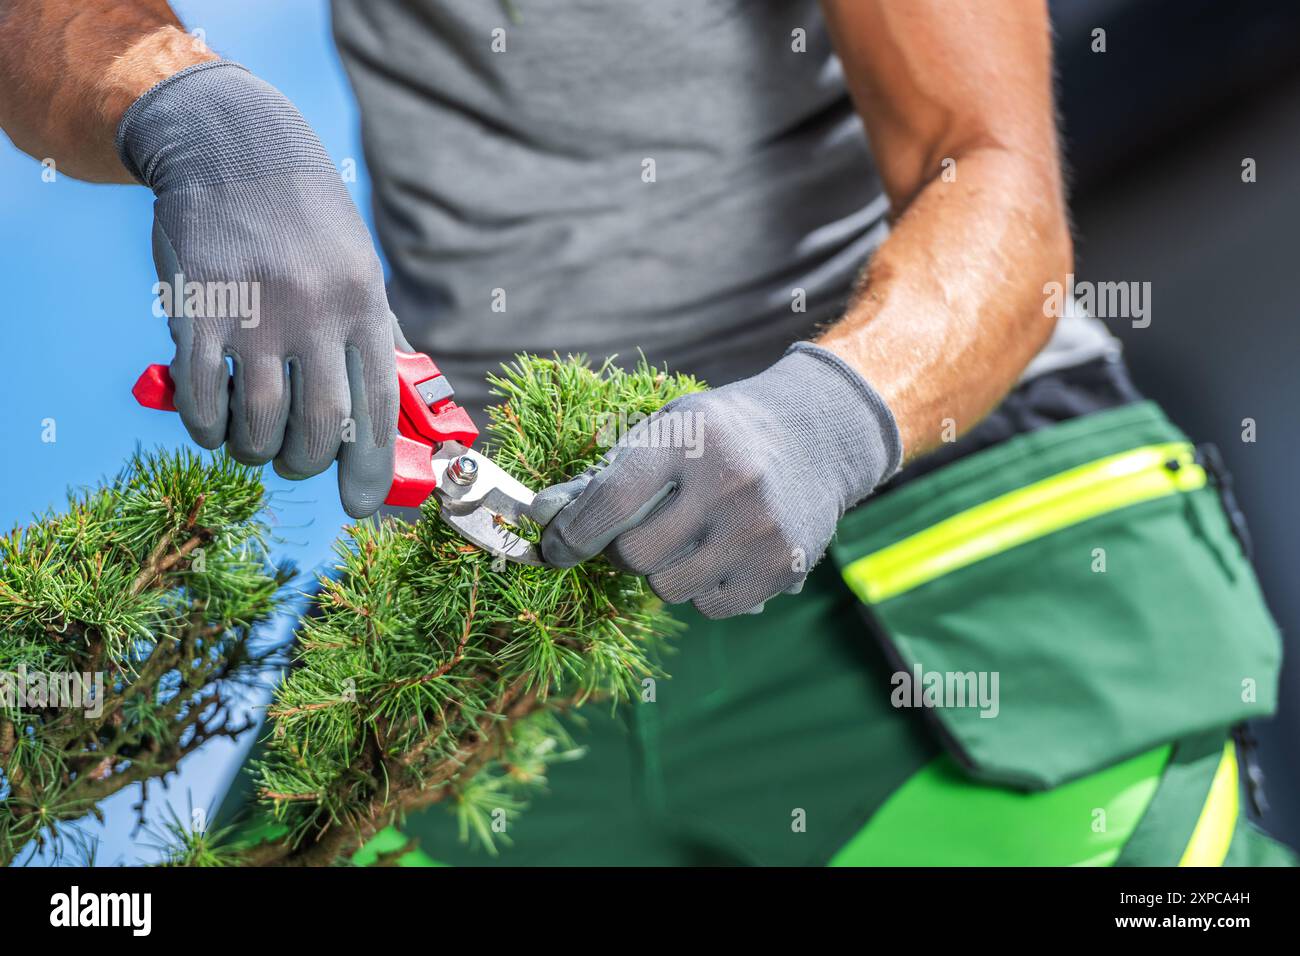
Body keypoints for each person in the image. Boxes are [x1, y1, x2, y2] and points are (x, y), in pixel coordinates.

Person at [0, 0, 1292, 865]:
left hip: (943, 529)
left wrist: (836, 413)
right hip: (502, 610)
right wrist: (195, 117)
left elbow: (992, 165)